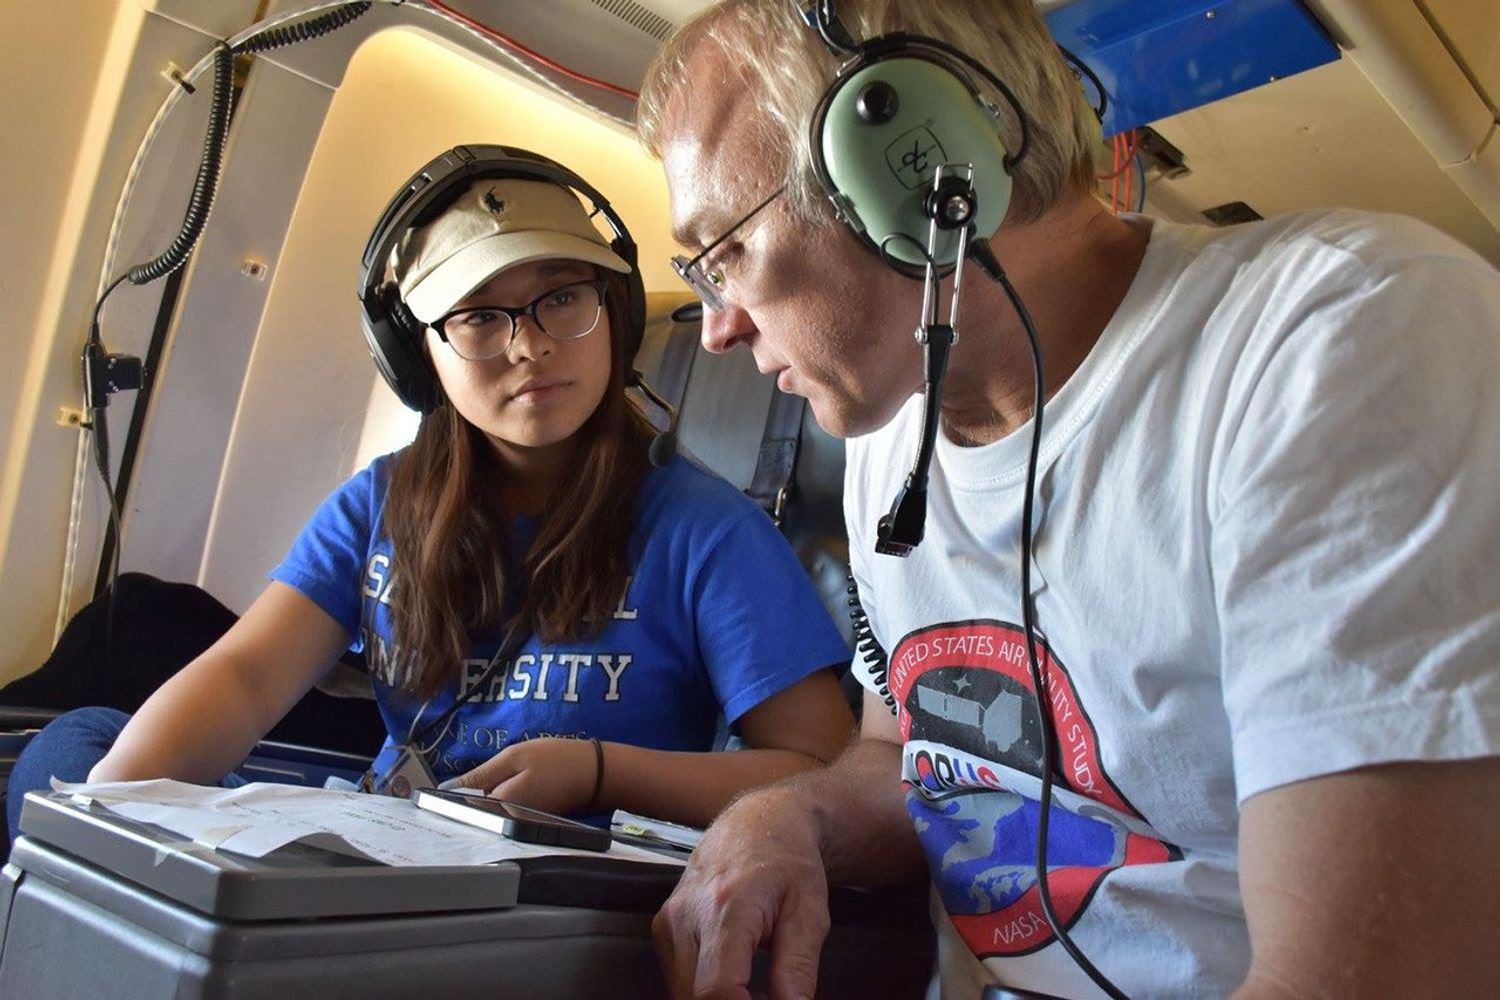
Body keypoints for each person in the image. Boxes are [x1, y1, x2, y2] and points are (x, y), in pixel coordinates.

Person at [636, 2, 1500, 998]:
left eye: (722, 254)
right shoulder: (888, 442)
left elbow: (1374, 976)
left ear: (914, 168)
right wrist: (792, 817)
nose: (716, 330)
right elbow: (904, 757)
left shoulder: (1340, 343)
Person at [6, 152, 855, 849]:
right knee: (74, 747)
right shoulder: (379, 505)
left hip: (561, 879)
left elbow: (819, 771)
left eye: (563, 297)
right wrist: (95, 843)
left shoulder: (705, 531)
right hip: (386, 839)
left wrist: (601, 770)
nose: (530, 346)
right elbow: (246, 675)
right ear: (420, 357)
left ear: (617, 315)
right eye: (480, 316)